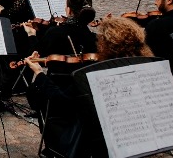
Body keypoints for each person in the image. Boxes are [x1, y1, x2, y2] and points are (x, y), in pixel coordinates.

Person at [24, 17, 154, 158]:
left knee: (42, 98)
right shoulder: (143, 68)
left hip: (94, 141)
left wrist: (38, 73)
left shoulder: (95, 74)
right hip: (134, 136)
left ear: (106, 45)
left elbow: (62, 101)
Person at [22, 0, 97, 57]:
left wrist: (31, 35)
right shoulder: (94, 38)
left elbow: (34, 56)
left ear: (69, 10)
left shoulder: (55, 33)